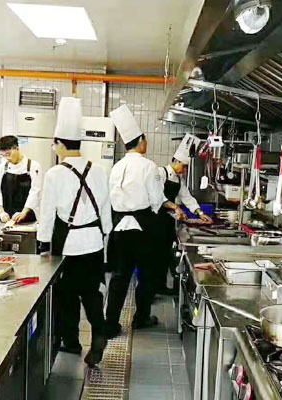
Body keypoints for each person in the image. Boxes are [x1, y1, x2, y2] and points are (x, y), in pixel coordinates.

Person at [37, 97, 111, 368]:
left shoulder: (54, 174)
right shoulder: (99, 171)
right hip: (94, 243)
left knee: (66, 296)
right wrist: (104, 236)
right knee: (91, 292)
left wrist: (43, 244)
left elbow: (47, 214)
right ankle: (99, 331)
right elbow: (106, 211)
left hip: (68, 246)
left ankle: (71, 341)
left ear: (59, 143)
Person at [104, 105, 185, 339]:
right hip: (143, 229)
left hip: (119, 228)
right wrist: (173, 207)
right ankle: (141, 318)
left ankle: (110, 323)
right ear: (141, 142)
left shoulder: (116, 167)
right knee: (147, 275)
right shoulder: (148, 166)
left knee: (119, 278)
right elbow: (157, 200)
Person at [156, 134, 212, 294]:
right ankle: (152, 288)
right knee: (155, 255)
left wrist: (199, 212)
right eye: (184, 166)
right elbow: (157, 197)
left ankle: (161, 286)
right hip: (155, 220)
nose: (185, 170)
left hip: (168, 221)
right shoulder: (160, 173)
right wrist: (175, 208)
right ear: (176, 161)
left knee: (165, 254)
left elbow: (187, 197)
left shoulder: (179, 180)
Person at [0, 135, 42, 224]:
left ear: (17, 149)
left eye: (8, 154)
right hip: (5, 216)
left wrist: (24, 212)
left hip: (27, 215)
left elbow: (35, 191)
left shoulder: (33, 166)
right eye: (3, 155)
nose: (7, 158)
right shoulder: (1, 168)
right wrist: (1, 212)